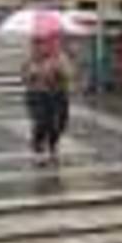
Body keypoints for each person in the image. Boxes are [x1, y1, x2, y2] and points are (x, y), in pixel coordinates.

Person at [23, 34, 73, 165]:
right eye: (37, 45)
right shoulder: (31, 60)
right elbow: (25, 77)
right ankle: (38, 148)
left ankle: (53, 145)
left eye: (43, 44)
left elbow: (69, 74)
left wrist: (58, 70)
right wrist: (33, 74)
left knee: (59, 123)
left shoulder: (60, 58)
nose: (41, 48)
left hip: (58, 94)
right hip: (37, 94)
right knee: (42, 122)